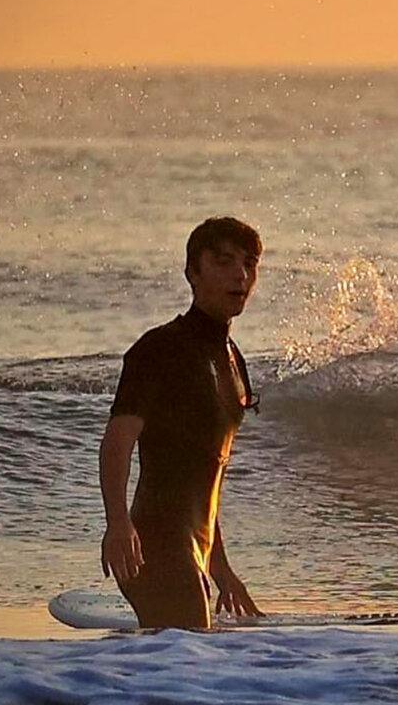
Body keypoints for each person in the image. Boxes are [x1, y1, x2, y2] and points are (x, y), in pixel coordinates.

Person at [98, 216, 266, 628]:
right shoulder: (160, 349)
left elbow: (206, 471)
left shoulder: (232, 358)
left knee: (187, 671)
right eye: (224, 262)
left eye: (249, 263)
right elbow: (117, 441)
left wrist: (220, 565)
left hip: (194, 547)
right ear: (193, 272)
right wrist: (118, 524)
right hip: (154, 545)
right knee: (189, 672)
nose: (241, 275)